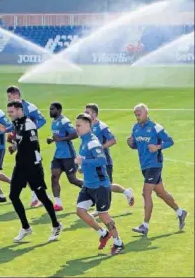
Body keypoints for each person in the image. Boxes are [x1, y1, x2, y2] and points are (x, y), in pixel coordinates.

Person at [6, 100, 63, 243]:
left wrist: (15, 141)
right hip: (20, 165)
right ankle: (25, 227)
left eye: (12, 112)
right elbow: (20, 142)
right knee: (13, 196)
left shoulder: (29, 124)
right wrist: (14, 146)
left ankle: (56, 225)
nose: (10, 115)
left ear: (20, 110)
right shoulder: (17, 123)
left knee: (42, 196)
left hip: (32, 165)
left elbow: (31, 144)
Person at [127, 103, 187, 235]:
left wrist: (157, 147)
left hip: (155, 164)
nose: (137, 116)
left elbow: (170, 141)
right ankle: (180, 212)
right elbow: (137, 145)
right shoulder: (135, 128)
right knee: (161, 193)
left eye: (139, 114)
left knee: (146, 192)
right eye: (136, 115)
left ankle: (145, 226)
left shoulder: (155, 127)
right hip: (144, 165)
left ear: (146, 113)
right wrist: (131, 143)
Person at [74, 113, 125, 256]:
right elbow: (89, 161)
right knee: (80, 210)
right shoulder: (83, 141)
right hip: (88, 185)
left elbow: (102, 160)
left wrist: (83, 162)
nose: (76, 128)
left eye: (78, 125)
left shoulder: (92, 141)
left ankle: (118, 243)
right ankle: (103, 233)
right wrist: (82, 167)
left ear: (88, 126)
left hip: (100, 185)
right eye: (76, 125)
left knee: (104, 215)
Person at [84, 103, 134, 217]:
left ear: (94, 114)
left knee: (105, 186)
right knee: (97, 185)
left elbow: (113, 140)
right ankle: (100, 208)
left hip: (104, 162)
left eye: (87, 112)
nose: (85, 114)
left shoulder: (102, 126)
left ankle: (125, 192)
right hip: (93, 162)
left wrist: (100, 148)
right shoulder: (87, 127)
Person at [3, 86, 47, 208]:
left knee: (31, 168)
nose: (8, 99)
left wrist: (30, 130)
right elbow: (16, 126)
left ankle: (38, 196)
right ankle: (39, 195)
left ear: (16, 95)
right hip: (20, 142)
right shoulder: (14, 109)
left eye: (9, 97)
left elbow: (42, 120)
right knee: (26, 169)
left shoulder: (30, 107)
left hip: (30, 143)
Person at [47, 102, 83, 211]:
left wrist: (60, 139)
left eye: (52, 109)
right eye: (50, 109)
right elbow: (59, 136)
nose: (50, 111)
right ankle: (58, 204)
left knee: (72, 179)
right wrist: (52, 139)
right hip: (58, 155)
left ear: (59, 110)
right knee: (54, 177)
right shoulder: (54, 122)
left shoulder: (64, 121)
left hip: (68, 155)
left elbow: (75, 134)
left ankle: (91, 189)